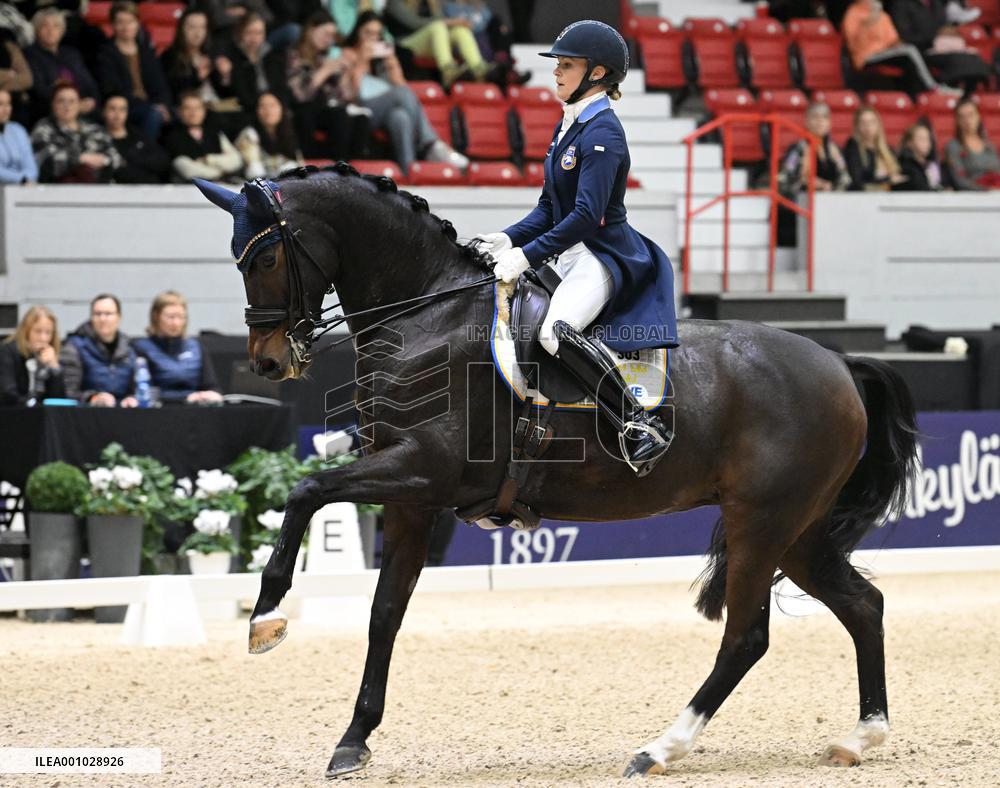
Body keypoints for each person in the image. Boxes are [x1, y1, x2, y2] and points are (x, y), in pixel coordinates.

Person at [478, 21, 677, 477]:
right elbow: (550, 208)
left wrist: (526, 257)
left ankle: (638, 422)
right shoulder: (570, 125)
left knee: (554, 329)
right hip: (568, 251)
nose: (557, 72)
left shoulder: (603, 133)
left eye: (567, 65)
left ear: (597, 73)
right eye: (559, 65)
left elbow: (587, 217)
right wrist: (508, 238)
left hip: (602, 254)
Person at [340, 11, 467, 172]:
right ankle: (430, 143)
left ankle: (409, 169)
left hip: (387, 110)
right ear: (357, 32)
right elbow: (352, 95)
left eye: (377, 34)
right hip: (361, 110)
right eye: (368, 33)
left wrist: (393, 64)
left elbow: (401, 85)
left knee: (401, 117)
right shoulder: (347, 54)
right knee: (403, 94)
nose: (372, 38)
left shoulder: (381, 56)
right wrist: (362, 62)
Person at [285, 11, 371, 160]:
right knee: (315, 115)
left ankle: (350, 168)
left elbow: (343, 97)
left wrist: (348, 73)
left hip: (324, 109)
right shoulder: (294, 55)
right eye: (326, 33)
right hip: (302, 109)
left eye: (332, 36)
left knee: (355, 117)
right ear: (311, 30)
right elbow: (300, 95)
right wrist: (325, 71)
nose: (329, 40)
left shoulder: (325, 57)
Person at [841, 0, 957, 95]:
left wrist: (896, 46)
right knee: (910, 51)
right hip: (866, 57)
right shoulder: (853, 14)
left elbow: (893, 39)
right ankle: (933, 87)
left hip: (885, 53)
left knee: (911, 54)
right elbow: (854, 46)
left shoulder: (882, 16)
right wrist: (868, 24)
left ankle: (916, 96)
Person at [160, 9, 246, 137]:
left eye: (202, 27)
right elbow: (172, 90)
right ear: (181, 30)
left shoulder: (210, 54)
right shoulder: (170, 56)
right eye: (192, 27)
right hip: (191, 108)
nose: (197, 33)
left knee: (245, 115)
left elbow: (225, 92)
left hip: (216, 104)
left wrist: (225, 75)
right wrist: (197, 78)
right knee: (216, 119)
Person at [96, 1, 172, 140]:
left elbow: (160, 84)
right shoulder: (105, 54)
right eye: (120, 22)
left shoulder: (146, 51)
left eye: (130, 22)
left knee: (186, 112)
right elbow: (113, 90)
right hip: (125, 107)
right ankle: (145, 153)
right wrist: (153, 107)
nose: (125, 27)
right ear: (112, 25)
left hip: (151, 105)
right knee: (153, 115)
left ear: (137, 23)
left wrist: (163, 104)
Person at [132, 291, 223, 404]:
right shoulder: (141, 348)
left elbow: (212, 386)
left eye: (181, 317)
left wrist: (211, 395)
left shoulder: (196, 347)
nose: (176, 323)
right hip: (159, 411)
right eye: (170, 317)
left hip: (196, 409)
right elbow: (144, 392)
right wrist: (186, 397)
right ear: (156, 317)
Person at [384, 0, 494, 87]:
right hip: (405, 44)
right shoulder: (395, 2)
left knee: (460, 30)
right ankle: (448, 71)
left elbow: (440, 19)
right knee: (438, 27)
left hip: (431, 41)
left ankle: (478, 68)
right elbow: (414, 23)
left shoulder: (432, 3)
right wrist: (448, 22)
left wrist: (452, 23)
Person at [889, 0, 990, 93]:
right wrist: (934, 37)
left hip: (943, 47)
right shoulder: (901, 4)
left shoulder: (936, 2)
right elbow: (904, 36)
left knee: (974, 58)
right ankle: (947, 89)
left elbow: (944, 25)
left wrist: (950, 32)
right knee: (957, 60)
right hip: (920, 51)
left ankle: (969, 95)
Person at [31, 81, 123, 183]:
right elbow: (44, 162)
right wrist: (80, 159)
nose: (67, 106)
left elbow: (116, 158)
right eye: (61, 101)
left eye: (72, 101)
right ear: (53, 104)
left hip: (100, 189)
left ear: (79, 104)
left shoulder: (95, 129)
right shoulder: (44, 128)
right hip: (58, 191)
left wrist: (103, 161)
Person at [60, 293, 138, 407]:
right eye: (97, 314)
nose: (102, 318)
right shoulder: (74, 346)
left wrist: (131, 399)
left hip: (122, 414)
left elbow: (137, 387)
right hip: (87, 415)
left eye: (108, 314)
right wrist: (92, 398)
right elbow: (68, 392)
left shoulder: (129, 348)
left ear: (118, 317)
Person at [23, 8, 98, 124]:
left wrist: (92, 101)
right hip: (50, 112)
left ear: (62, 31)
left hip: (84, 110)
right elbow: (39, 90)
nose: (50, 30)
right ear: (36, 30)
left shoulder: (72, 53)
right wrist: (74, 106)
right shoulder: (29, 54)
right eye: (45, 26)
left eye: (56, 26)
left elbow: (90, 84)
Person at [165, 90, 244, 182]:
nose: (193, 113)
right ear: (180, 111)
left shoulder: (214, 132)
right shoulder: (171, 134)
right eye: (187, 108)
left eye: (198, 108)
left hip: (220, 186)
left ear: (204, 111)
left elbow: (236, 159)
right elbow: (185, 168)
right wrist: (220, 172)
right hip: (189, 188)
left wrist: (208, 160)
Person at [778, 102, 851, 195]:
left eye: (824, 117)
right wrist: (805, 183)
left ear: (830, 123)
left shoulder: (834, 150)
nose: (820, 121)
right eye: (815, 117)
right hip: (803, 201)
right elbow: (784, 178)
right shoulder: (797, 149)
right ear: (806, 121)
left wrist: (831, 187)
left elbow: (845, 178)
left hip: (832, 200)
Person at [223, 11, 289, 113]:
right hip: (249, 110)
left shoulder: (273, 57)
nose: (254, 39)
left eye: (259, 33)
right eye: (249, 33)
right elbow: (241, 95)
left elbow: (281, 88)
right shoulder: (233, 58)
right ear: (240, 33)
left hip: (275, 109)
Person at [0, 306, 66, 406]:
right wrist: (31, 405)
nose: (43, 338)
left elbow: (58, 401)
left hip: (42, 416)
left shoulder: (50, 356)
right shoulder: (8, 351)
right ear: (26, 331)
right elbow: (8, 393)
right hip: (13, 414)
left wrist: (54, 368)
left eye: (48, 332)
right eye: (38, 331)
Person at [102, 93, 171, 184]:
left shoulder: (138, 137)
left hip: (148, 190)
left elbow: (162, 160)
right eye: (112, 109)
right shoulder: (98, 140)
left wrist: (131, 161)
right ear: (103, 111)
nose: (117, 114)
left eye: (122, 109)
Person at [235, 91, 304, 178]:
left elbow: (300, 165)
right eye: (262, 106)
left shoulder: (289, 133)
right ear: (256, 111)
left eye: (272, 105)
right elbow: (254, 170)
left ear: (282, 108)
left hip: (286, 185)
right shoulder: (249, 135)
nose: (268, 111)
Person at [843, 106, 905, 190]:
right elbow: (857, 180)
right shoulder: (853, 147)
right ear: (857, 126)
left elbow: (899, 175)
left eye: (872, 122)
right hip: (864, 198)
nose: (868, 127)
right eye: (863, 123)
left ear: (878, 124)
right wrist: (886, 180)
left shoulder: (887, 149)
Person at [943, 98, 1000, 190]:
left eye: (971, 115)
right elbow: (959, 180)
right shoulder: (954, 146)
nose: (967, 120)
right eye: (962, 117)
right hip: (973, 197)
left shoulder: (990, 146)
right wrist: (986, 191)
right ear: (957, 120)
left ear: (978, 116)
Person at [0, 87, 36, 182]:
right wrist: (20, 179)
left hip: (23, 188)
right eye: (0, 104)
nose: (6, 109)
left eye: (8, 104)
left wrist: (26, 179)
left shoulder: (18, 130)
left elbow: (31, 167)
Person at [897, 122, 945, 190]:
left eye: (928, 139)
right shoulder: (905, 165)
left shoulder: (933, 165)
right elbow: (920, 188)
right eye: (921, 138)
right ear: (909, 142)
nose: (926, 143)